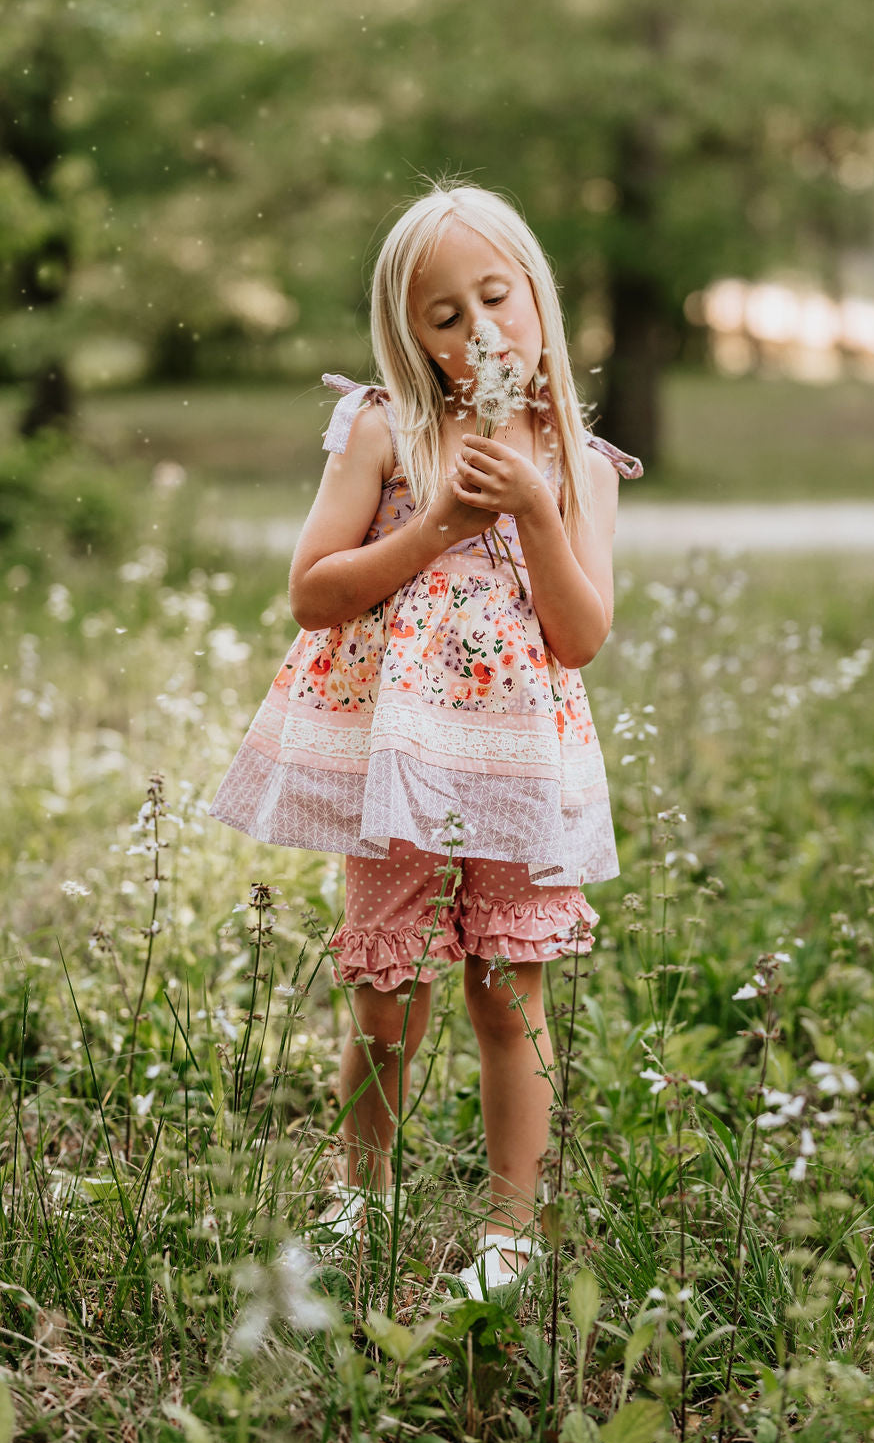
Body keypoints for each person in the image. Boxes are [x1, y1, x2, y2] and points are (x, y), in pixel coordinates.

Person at [208, 182, 642, 1296]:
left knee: (509, 990)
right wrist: (442, 518)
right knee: (385, 992)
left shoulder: (577, 464)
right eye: (443, 318)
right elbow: (313, 592)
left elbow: (580, 633)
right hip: (398, 757)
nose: (478, 331)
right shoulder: (384, 431)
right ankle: (362, 1189)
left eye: (494, 298)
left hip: (511, 763)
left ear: (536, 295)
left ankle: (509, 1229)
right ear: (412, 339)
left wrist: (536, 513)